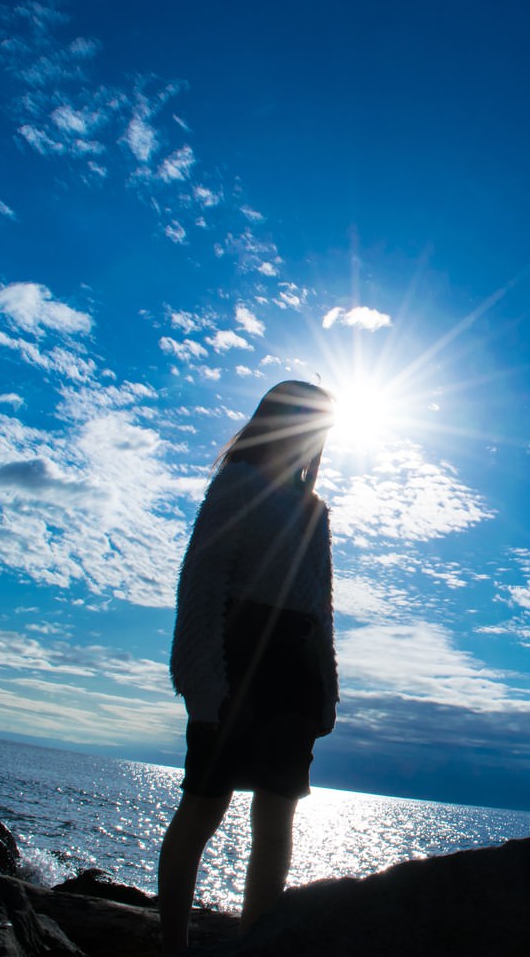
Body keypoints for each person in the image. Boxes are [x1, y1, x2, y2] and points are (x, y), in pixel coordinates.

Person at [157, 380, 337, 954]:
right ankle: (172, 947)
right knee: (204, 806)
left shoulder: (313, 510)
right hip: (237, 660)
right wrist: (201, 682)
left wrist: (327, 688)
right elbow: (202, 583)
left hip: (295, 669)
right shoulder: (237, 485)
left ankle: (255, 945)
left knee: (278, 817)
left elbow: (320, 605)